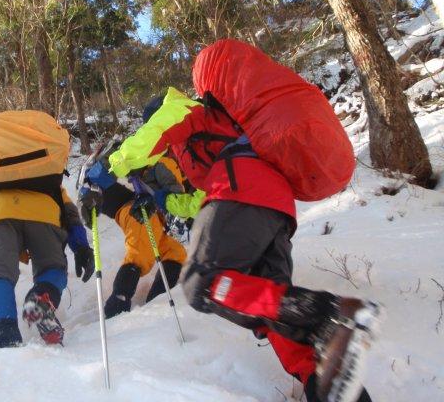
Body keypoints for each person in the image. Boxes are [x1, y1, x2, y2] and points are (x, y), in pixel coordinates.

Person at [107, 40, 379, 402]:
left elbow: (153, 137)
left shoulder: (183, 110)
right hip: (273, 208)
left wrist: (112, 165)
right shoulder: (221, 134)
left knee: (202, 282)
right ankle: (324, 383)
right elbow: (201, 201)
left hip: (242, 187)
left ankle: (326, 314)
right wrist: (164, 200)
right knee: (268, 303)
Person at [0, 113, 94, 348]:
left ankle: (3, 333)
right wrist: (81, 247)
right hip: (45, 213)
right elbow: (71, 216)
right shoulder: (52, 187)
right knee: (52, 268)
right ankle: (42, 298)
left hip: (0, 216)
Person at [78, 138, 187, 319]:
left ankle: (158, 299)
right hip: (133, 206)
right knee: (141, 249)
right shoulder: (162, 158)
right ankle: (117, 303)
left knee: (174, 252)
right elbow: (175, 197)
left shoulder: (162, 157)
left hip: (140, 207)